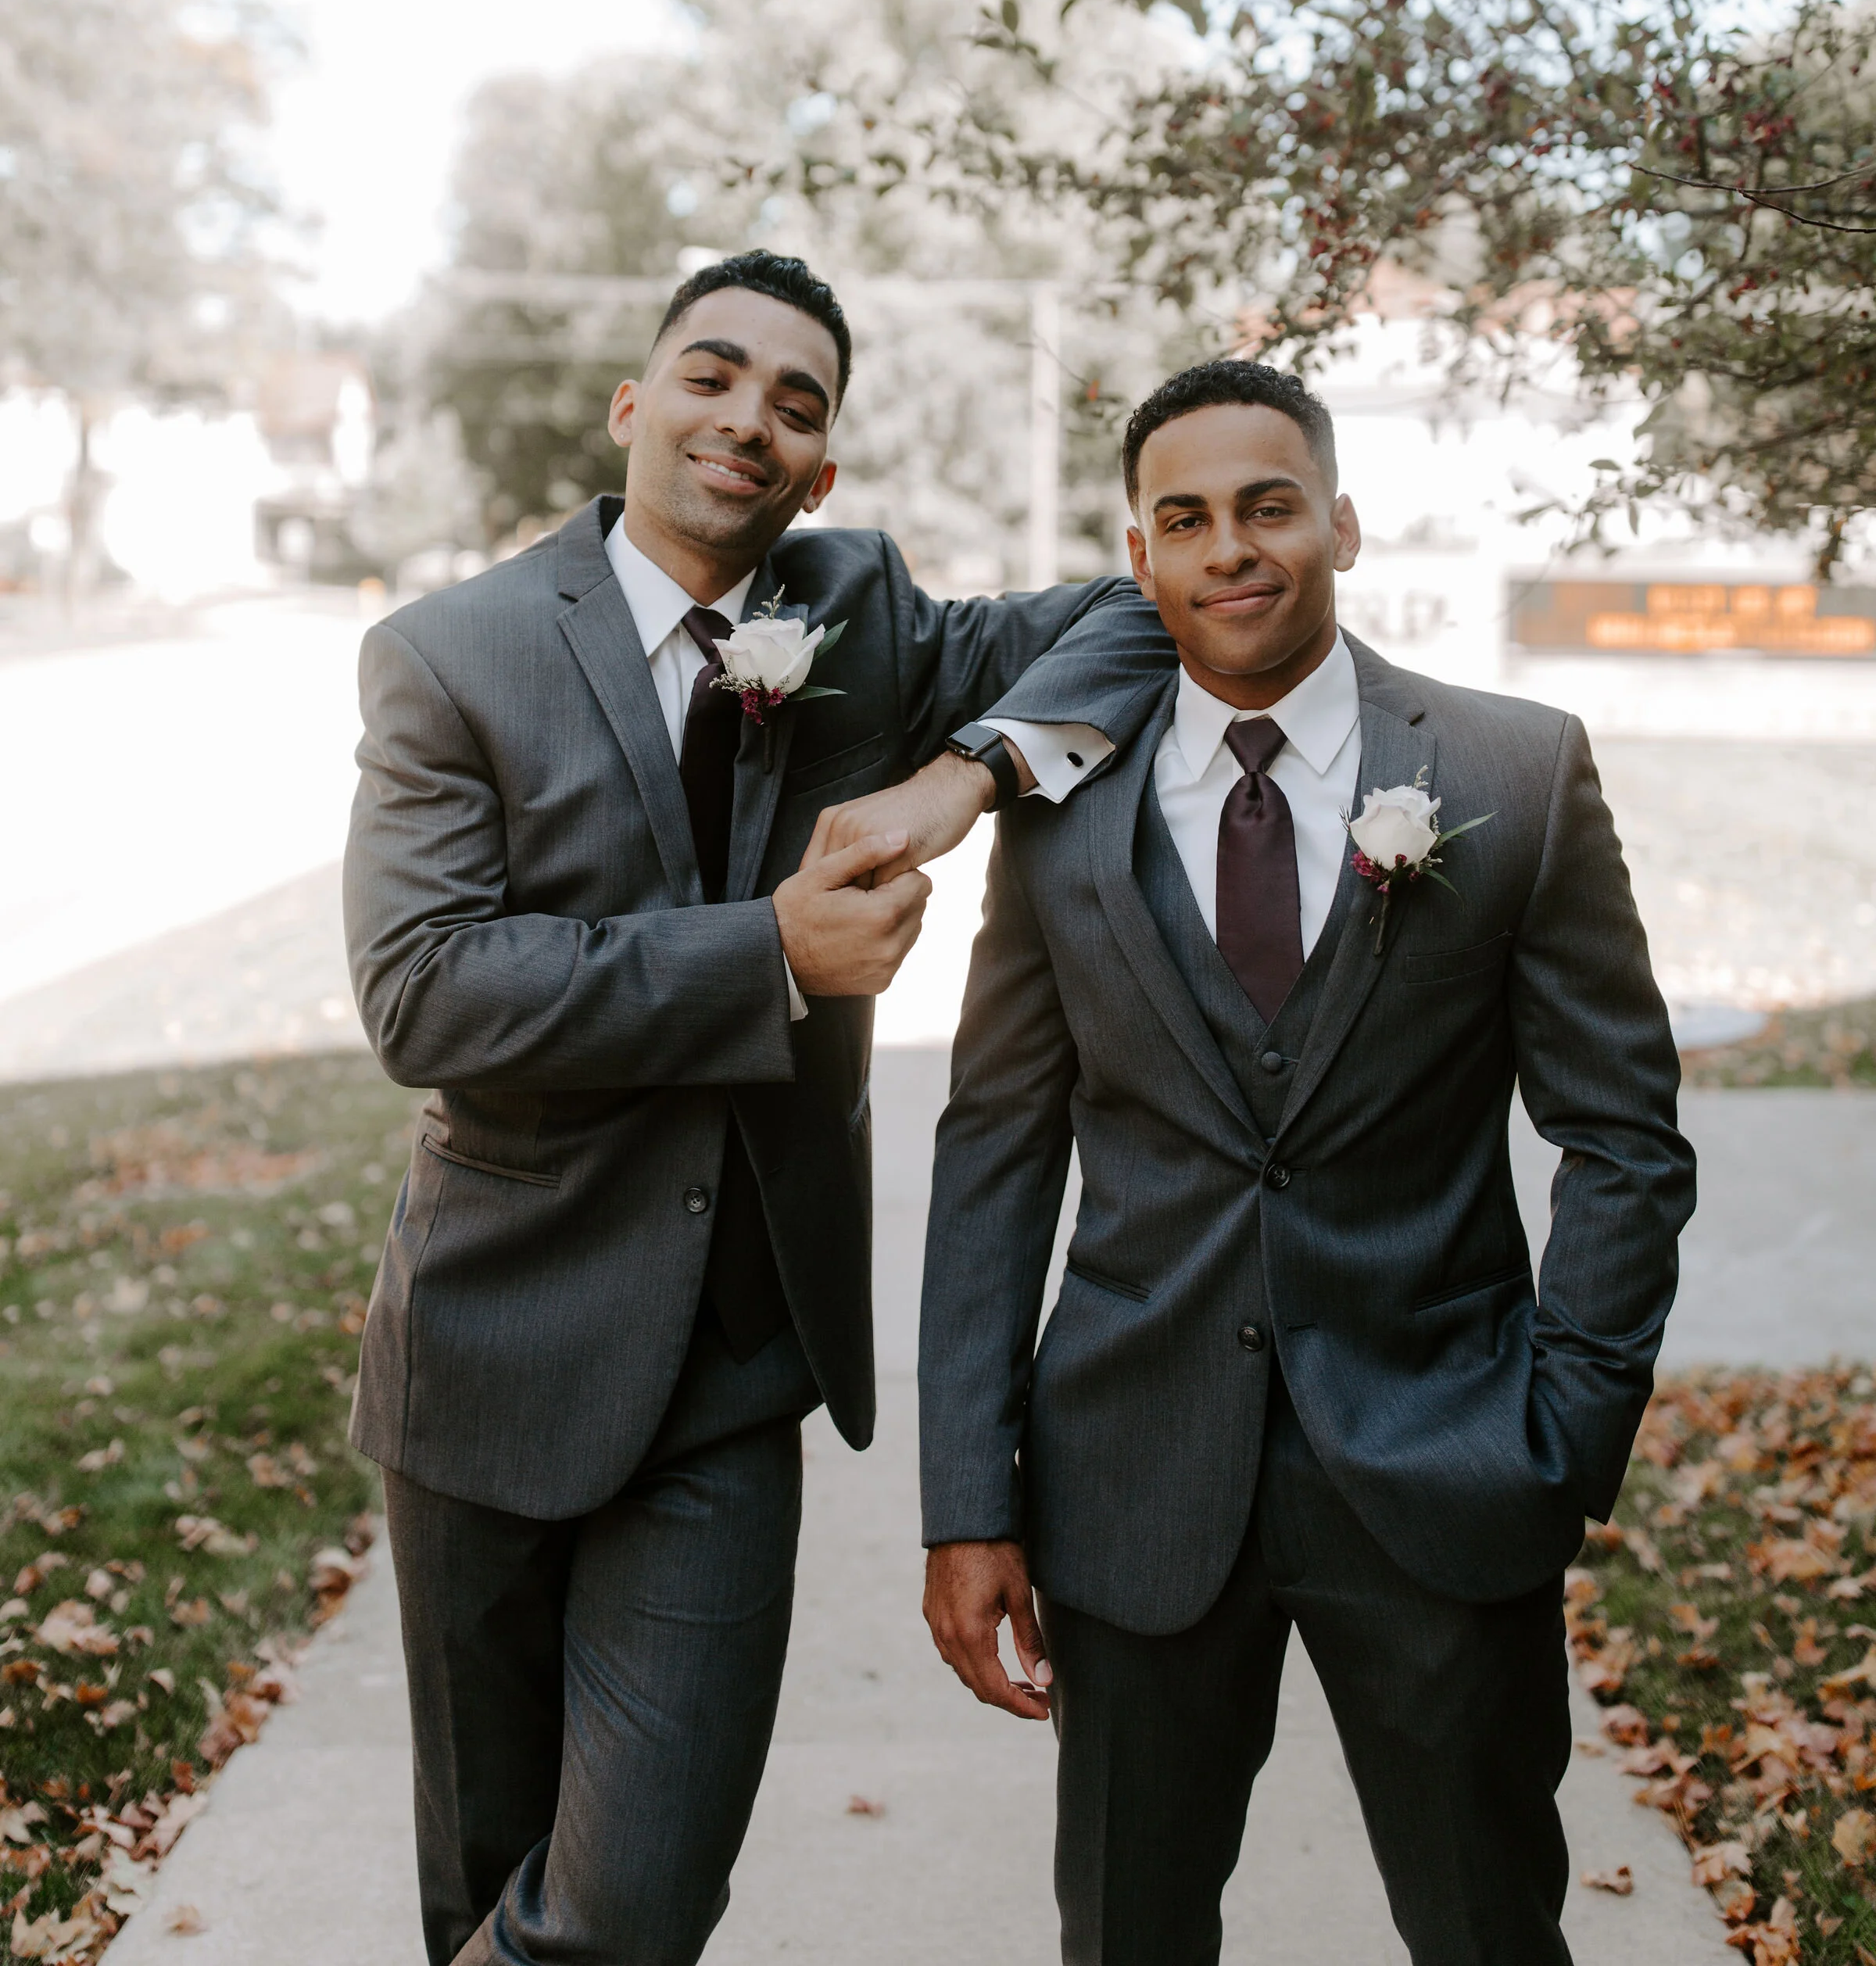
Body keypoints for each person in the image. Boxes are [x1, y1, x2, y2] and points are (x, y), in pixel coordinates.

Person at [342, 250, 1160, 1966]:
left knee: (632, 1900)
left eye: (797, 404)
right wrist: (767, 955)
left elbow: (1144, 610)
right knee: (483, 1881)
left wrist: (962, 776)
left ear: (822, 468)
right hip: (491, 1349)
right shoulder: (452, 654)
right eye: (712, 376)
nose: (749, 419)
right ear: (631, 405)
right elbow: (424, 992)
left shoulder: (865, 612)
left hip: (729, 1368)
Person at [915, 356, 1697, 1966]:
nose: (1232, 550)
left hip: (1448, 1459)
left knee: (1488, 1929)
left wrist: (1567, 1429)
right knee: (1129, 1933)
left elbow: (1622, 1136)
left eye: (1268, 508)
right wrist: (966, 1502)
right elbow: (995, 1148)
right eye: (1187, 519)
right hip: (1132, 1484)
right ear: (1139, 556)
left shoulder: (1513, 770)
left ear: (1340, 522)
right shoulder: (1059, 810)